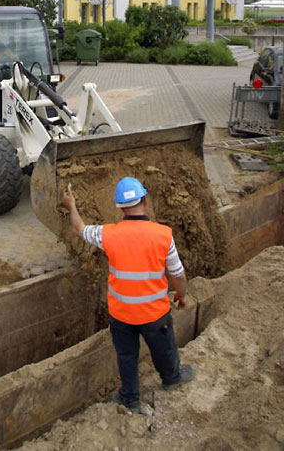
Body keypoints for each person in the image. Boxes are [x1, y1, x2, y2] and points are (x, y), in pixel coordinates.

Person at [62, 176, 195, 413]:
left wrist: (71, 205)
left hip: (122, 314)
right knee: (164, 348)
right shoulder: (163, 234)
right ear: (144, 201)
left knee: (126, 356)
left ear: (121, 208)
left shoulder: (108, 234)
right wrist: (181, 295)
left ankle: (130, 397)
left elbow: (79, 229)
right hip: (155, 313)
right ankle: (172, 378)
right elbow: (178, 274)